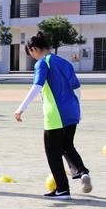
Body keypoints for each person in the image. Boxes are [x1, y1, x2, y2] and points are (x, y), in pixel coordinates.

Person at [14, 31, 91, 200]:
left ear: (34, 49)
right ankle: (82, 172)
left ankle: (62, 190)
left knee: (52, 152)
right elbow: (77, 87)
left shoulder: (42, 63)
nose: (33, 58)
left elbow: (37, 86)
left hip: (55, 114)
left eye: (31, 54)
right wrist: (79, 112)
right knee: (66, 146)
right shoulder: (64, 62)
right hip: (73, 111)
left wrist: (20, 109)